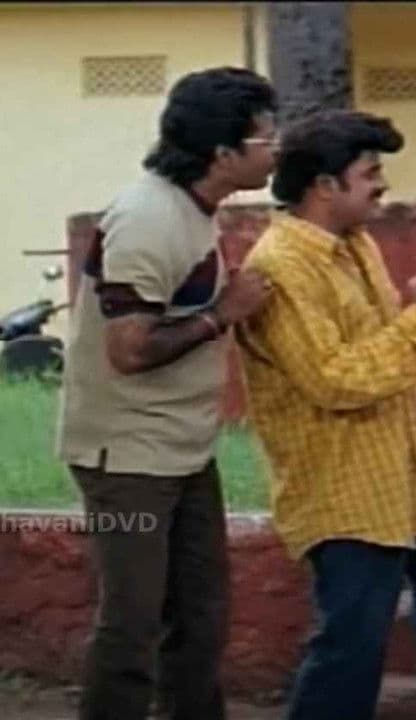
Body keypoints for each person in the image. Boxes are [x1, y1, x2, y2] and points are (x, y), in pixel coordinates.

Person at [236, 110, 416, 720]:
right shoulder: (280, 265)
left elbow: (381, 354)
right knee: (351, 649)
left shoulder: (358, 244)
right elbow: (335, 380)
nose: (383, 185)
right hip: (344, 488)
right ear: (324, 186)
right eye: (370, 173)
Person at [55, 66, 277, 720]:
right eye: (265, 136)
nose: (277, 147)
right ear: (223, 153)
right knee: (132, 623)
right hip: (126, 455)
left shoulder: (191, 210)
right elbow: (128, 351)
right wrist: (223, 314)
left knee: (201, 616)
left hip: (181, 448)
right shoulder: (149, 220)